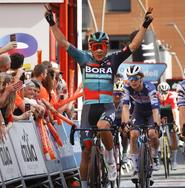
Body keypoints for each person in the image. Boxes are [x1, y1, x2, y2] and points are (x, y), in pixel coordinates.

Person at [45, 5, 154, 187]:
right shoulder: (83, 58)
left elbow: (133, 46)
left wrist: (145, 25)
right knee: (87, 150)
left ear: (106, 47)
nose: (99, 50)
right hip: (88, 109)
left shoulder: (113, 60)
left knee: (104, 127)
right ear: (91, 47)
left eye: (102, 47)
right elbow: (63, 42)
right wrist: (52, 23)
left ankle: (111, 160)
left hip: (106, 107)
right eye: (96, 47)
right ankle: (86, 184)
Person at [121, 65, 161, 181]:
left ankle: (154, 156)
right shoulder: (127, 87)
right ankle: (135, 166)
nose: (133, 81)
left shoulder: (150, 87)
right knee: (133, 135)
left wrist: (156, 124)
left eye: (135, 78)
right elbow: (125, 106)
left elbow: (155, 109)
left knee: (153, 133)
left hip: (151, 111)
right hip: (138, 111)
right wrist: (125, 123)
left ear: (141, 78)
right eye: (130, 79)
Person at [157, 81, 180, 170]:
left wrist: (176, 123)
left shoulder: (171, 96)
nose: (163, 95)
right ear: (158, 92)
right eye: (161, 93)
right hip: (159, 113)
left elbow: (175, 112)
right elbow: (154, 112)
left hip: (170, 113)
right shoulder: (155, 96)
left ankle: (174, 160)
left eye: (165, 93)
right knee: (155, 129)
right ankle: (158, 146)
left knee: (173, 134)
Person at [113, 80, 129, 163]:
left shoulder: (124, 101)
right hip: (112, 119)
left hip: (122, 119)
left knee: (124, 134)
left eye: (119, 94)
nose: (117, 96)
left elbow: (125, 114)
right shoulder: (109, 101)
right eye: (115, 94)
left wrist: (123, 126)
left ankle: (125, 153)